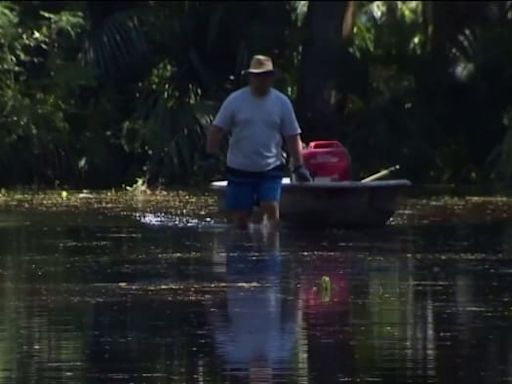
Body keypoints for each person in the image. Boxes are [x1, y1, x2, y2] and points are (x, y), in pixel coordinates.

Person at [206, 55, 312, 230]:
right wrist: (210, 154)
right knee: (240, 218)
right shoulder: (235, 100)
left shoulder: (281, 103)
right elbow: (217, 130)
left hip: (270, 168)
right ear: (250, 77)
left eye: (266, 76)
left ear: (272, 77)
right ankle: (243, 251)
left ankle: (271, 251)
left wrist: (299, 166)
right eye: (258, 76)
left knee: (271, 207)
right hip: (240, 168)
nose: (262, 80)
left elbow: (292, 136)